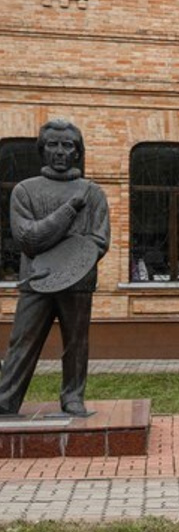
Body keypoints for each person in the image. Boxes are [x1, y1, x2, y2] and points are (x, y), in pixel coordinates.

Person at [0, 118, 110, 417]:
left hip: (77, 282)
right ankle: (6, 398)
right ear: (42, 149)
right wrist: (68, 213)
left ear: (77, 152)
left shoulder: (93, 193)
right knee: (22, 339)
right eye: (53, 145)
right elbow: (28, 239)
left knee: (76, 343)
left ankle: (73, 397)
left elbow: (98, 242)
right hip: (36, 280)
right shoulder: (25, 191)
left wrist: (67, 262)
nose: (60, 151)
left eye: (68, 146)